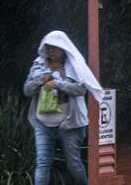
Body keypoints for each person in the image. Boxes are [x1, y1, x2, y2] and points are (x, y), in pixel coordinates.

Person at [24, 30, 104, 185]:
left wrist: (58, 83)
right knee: (42, 163)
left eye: (55, 47)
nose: (51, 50)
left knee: (73, 164)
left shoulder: (74, 65)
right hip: (43, 122)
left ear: (63, 48)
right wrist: (40, 79)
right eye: (48, 47)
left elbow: (81, 90)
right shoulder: (38, 65)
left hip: (70, 123)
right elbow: (27, 90)